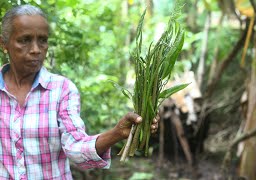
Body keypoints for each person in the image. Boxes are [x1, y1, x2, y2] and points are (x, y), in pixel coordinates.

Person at [0, 4, 159, 179]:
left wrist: (117, 133)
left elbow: (76, 148)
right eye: (24, 40)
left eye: (43, 40)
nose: (36, 49)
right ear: (4, 44)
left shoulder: (61, 90)